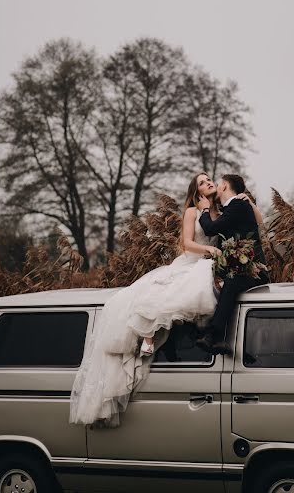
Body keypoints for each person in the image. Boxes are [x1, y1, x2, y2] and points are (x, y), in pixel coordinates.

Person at [69, 172, 264, 427]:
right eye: (203, 183)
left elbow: (254, 222)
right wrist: (211, 250)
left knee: (203, 298)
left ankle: (178, 340)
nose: (209, 183)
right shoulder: (194, 211)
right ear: (196, 192)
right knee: (173, 296)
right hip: (197, 262)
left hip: (215, 266)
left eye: (210, 181)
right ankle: (151, 335)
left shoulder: (224, 210)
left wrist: (247, 200)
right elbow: (186, 243)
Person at [197, 174, 269, 355]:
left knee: (231, 284)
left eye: (219, 183)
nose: (215, 184)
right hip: (241, 269)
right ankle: (213, 336)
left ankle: (213, 336)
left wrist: (205, 210)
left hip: (254, 272)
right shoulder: (233, 208)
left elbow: (210, 228)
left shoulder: (238, 205)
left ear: (224, 187)